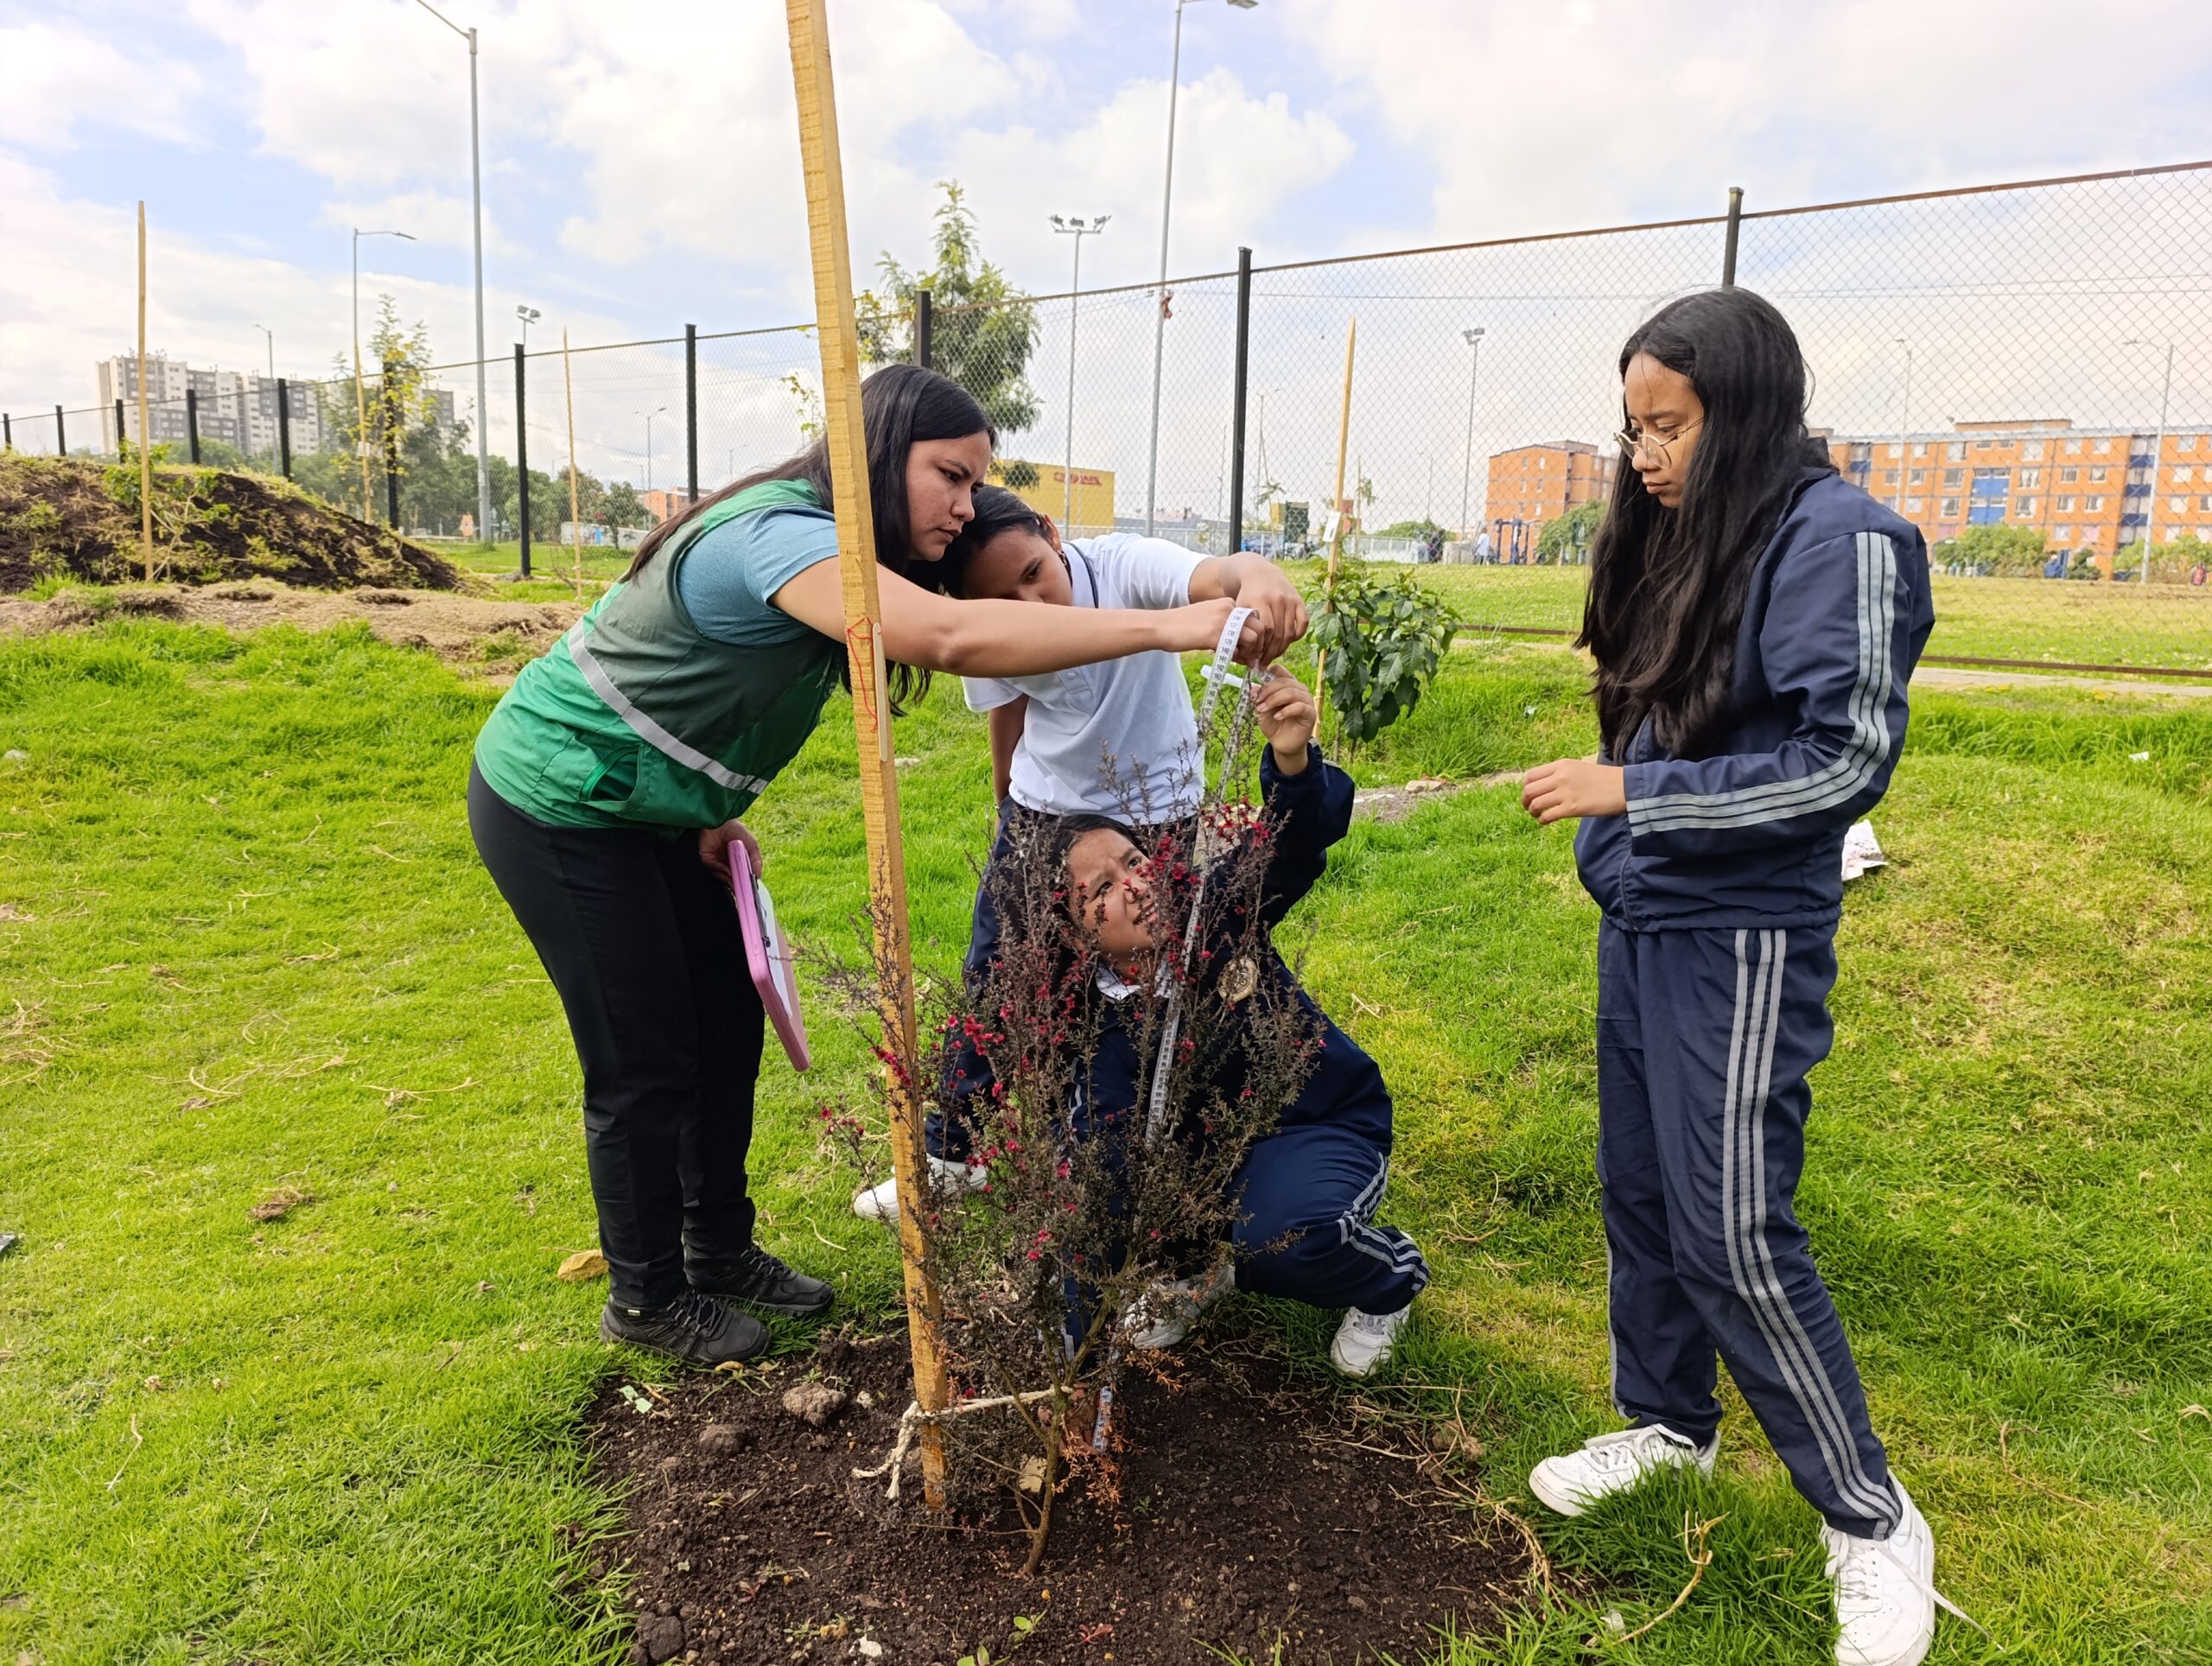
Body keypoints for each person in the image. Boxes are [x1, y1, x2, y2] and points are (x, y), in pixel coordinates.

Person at [468, 366, 1293, 1370]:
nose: (963, 502)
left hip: (654, 809)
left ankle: (716, 1248)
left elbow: (707, 694)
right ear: (879, 450)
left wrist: (705, 810)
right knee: (643, 1054)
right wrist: (1174, 628)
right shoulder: (781, 536)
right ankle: (644, 1294)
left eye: (974, 478)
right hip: (560, 801)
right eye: (948, 473)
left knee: (727, 1024)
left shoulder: (845, 549)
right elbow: (946, 635)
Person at [1518, 289, 1948, 1666]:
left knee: (1734, 1232)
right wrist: (1615, 840)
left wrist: (1632, 794)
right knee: (1640, 1192)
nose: (1644, 454)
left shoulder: (1844, 539)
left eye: (1669, 425)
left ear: (1744, 406)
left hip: (1742, 933)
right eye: (1632, 425)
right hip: (1644, 915)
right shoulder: (1690, 528)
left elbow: (1841, 761)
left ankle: (1873, 1523)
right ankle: (1668, 1426)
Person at [849, 484, 1308, 1219]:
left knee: (1149, 1005)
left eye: (1036, 572)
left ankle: (1134, 1163)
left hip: (1151, 824)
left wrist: (1257, 575)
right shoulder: (984, 623)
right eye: (1006, 596)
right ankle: (952, 1155)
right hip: (1045, 818)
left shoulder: (1123, 566)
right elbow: (1009, 707)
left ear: (1053, 532)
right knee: (997, 983)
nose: (1037, 607)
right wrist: (1010, 809)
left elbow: (1214, 576)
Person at [1044, 666, 1427, 1377]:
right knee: (1128, 1171)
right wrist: (1078, 1350)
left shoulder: (1212, 914)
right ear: (1073, 936)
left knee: (1288, 1238)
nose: (1135, 886)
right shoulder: (1097, 1031)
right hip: (1206, 1162)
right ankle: (1194, 1271)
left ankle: (1390, 1282)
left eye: (1134, 862)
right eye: (1102, 889)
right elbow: (1101, 1182)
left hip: (1314, 1124)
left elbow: (1291, 841)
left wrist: (1290, 759)